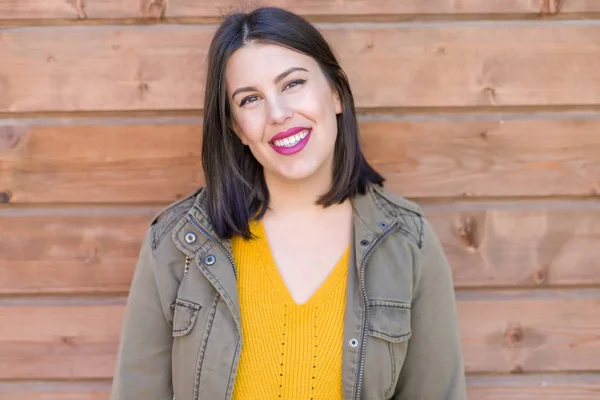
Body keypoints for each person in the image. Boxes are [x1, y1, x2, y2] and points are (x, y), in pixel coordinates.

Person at [110, 6, 466, 400]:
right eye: (250, 100)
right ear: (236, 129)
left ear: (335, 93)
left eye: (292, 84)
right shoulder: (177, 244)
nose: (278, 113)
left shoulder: (408, 243)